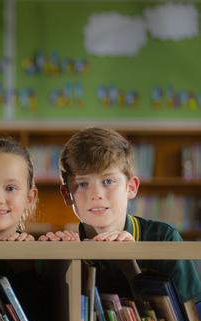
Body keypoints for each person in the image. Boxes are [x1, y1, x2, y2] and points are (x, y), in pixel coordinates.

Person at [49, 126, 201, 302]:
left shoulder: (164, 238)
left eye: (108, 181)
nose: (96, 194)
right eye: (83, 184)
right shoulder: (61, 249)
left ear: (131, 187)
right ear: (67, 195)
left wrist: (131, 269)